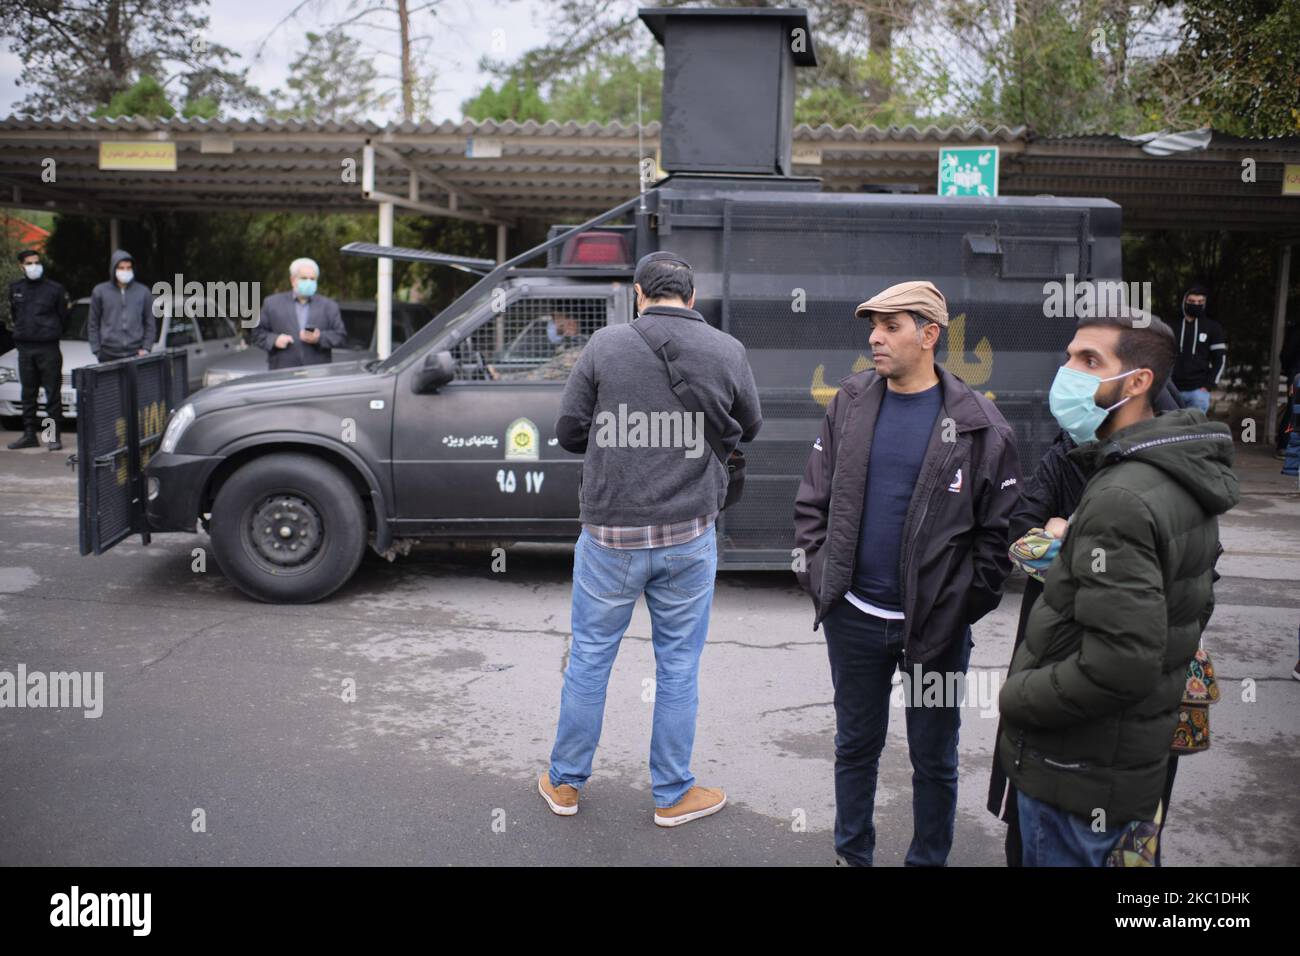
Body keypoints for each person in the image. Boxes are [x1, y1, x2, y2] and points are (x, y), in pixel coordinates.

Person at [997, 309, 1239, 867]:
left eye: (1089, 361)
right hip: (1125, 764)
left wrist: (1016, 697)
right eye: (1068, 358)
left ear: (1138, 382)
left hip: (1080, 770)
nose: (1069, 373)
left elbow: (1121, 664)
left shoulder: (1122, 495)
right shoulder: (1175, 470)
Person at [792, 280, 1021, 866]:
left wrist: (956, 607)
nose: (875, 337)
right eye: (873, 325)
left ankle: (927, 862)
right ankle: (853, 856)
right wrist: (823, 579)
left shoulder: (979, 425)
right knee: (855, 749)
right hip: (855, 619)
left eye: (891, 326)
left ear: (929, 335)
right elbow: (812, 501)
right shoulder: (850, 402)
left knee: (935, 761)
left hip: (935, 631)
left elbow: (998, 537)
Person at [539, 251, 761, 827]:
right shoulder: (726, 350)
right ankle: (672, 793)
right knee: (679, 667)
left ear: (640, 293)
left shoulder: (605, 346)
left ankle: (564, 785)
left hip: (610, 536)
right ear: (691, 297)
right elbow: (750, 426)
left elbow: (568, 432)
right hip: (689, 535)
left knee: (589, 659)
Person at [987, 380, 1184, 866]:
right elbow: (1020, 537)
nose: (1070, 376)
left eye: (1089, 362)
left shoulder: (1173, 480)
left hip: (1133, 700)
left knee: (1121, 832)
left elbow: (1182, 577)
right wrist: (1049, 539)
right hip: (1052, 654)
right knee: (1035, 811)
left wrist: (1067, 533)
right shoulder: (1065, 455)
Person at [7, 250, 70, 450]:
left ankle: (52, 436)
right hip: (25, 347)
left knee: (52, 394)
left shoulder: (54, 289)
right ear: (21, 266)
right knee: (28, 393)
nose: (34, 266)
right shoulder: (16, 288)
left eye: (36, 262)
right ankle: (29, 435)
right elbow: (15, 314)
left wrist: (50, 332)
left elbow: (63, 317)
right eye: (29, 263)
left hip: (48, 347)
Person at [250, 258, 346, 370]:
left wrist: (319, 338)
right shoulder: (272, 303)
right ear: (293, 280)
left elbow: (341, 336)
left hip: (317, 373)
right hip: (282, 371)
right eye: (304, 278)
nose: (309, 282)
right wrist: (274, 340)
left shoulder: (329, 306)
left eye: (312, 279)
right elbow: (257, 333)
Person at [88, 249, 154, 363]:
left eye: (128, 268)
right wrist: (97, 350)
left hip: (136, 354)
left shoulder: (143, 292)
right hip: (108, 354)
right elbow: (93, 323)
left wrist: (146, 347)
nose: (125, 271)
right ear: (114, 269)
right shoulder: (100, 291)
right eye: (121, 268)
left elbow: (150, 322)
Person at [1170, 285, 1225, 413]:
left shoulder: (1213, 328)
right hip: (1172, 390)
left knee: (1194, 430)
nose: (1196, 304)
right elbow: (1161, 355)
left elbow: (1220, 359)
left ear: (1205, 304)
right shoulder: (1172, 326)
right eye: (1192, 301)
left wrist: (1208, 385)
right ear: (1184, 302)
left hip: (1198, 391)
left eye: (1200, 302)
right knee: (1171, 430)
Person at [489, 311, 589, 382]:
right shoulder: (570, 347)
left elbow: (542, 375)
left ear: (573, 323)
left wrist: (500, 378)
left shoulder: (578, 352)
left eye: (560, 320)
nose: (557, 325)